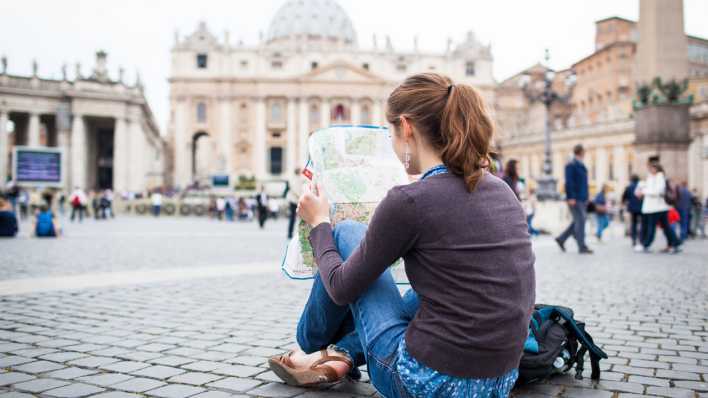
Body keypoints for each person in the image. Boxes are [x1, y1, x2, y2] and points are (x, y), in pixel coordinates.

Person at [269, 73, 535, 397]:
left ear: (406, 128)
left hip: (423, 383)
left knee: (346, 233)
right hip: (498, 380)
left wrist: (320, 223)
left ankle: (312, 345)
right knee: (426, 291)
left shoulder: (409, 201)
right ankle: (343, 353)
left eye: (391, 135)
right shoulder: (502, 189)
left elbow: (340, 287)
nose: (393, 147)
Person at [635, 160, 681, 253]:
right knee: (665, 227)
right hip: (654, 208)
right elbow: (642, 189)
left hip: (656, 208)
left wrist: (644, 191)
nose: (650, 170)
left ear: (657, 168)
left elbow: (658, 191)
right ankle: (675, 243)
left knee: (652, 227)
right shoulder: (650, 178)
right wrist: (641, 189)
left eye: (652, 168)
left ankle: (646, 244)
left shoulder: (659, 177)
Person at [555, 144, 593, 254]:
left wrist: (587, 196)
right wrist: (571, 197)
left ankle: (561, 239)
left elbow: (584, 183)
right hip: (575, 198)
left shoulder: (581, 165)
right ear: (580, 152)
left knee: (578, 220)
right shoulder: (571, 165)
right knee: (581, 220)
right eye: (584, 151)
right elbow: (569, 182)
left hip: (582, 198)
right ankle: (582, 246)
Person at [622, 175, 643, 249]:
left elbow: (624, 197)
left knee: (634, 224)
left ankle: (634, 240)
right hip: (642, 208)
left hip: (632, 208)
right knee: (641, 224)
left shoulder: (629, 187)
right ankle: (641, 239)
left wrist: (625, 203)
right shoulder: (641, 186)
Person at [286, 168, 304, 239]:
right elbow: (294, 189)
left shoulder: (298, 179)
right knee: (293, 217)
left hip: (297, 200)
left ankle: (298, 232)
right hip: (294, 200)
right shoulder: (294, 179)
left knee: (296, 218)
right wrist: (300, 196)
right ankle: (290, 233)